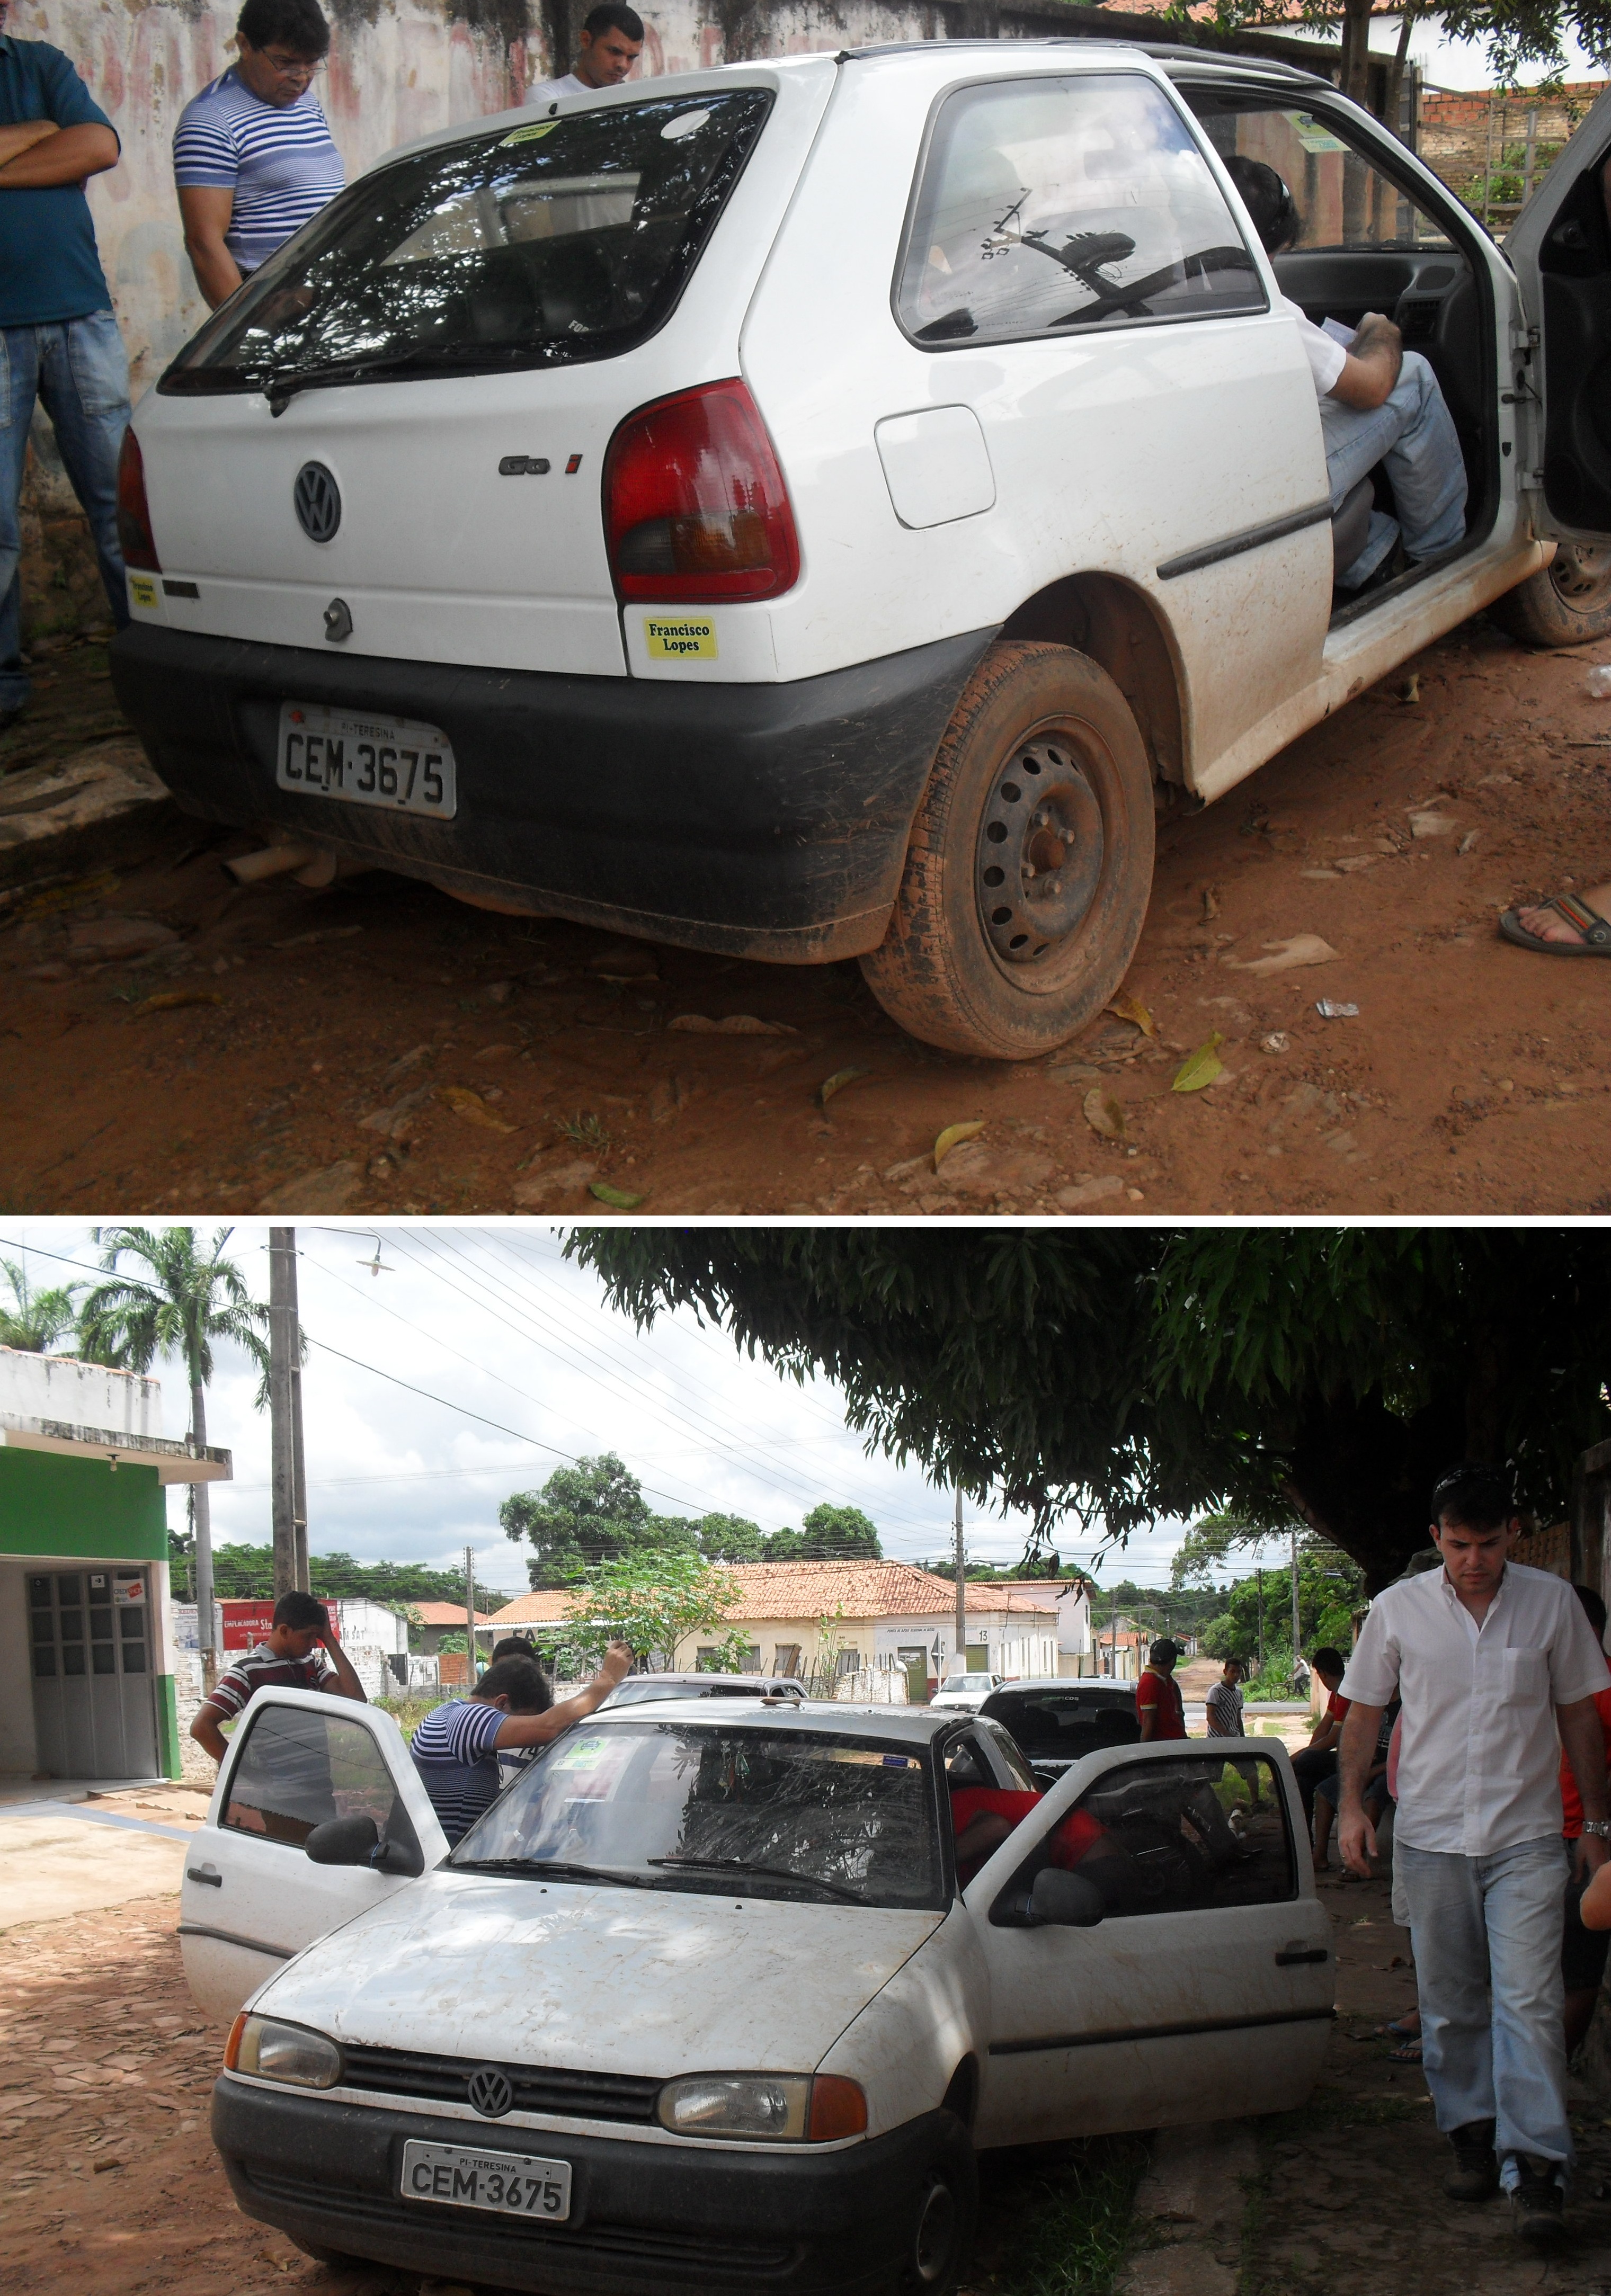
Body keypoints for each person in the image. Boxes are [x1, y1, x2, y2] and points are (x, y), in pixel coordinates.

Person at [1336, 1462, 1611, 2245]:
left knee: (1527, 2001)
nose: (1473, 1559)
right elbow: (1363, 1712)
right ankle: (1472, 2135)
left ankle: (1538, 2167)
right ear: (1437, 1537)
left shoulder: (1552, 1604)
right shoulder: (1397, 1610)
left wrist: (1595, 1822)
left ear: (1512, 1534)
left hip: (1527, 1838)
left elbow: (1578, 1716)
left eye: (1487, 1543)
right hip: (1427, 1838)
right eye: (1457, 1544)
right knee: (1453, 2004)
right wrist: (1352, 1805)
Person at [1224, 154, 1467, 593]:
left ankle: (1377, 556)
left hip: (1207, 463)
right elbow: (1372, 387)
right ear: (1267, 245)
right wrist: (1380, 329)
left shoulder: (1156, 283)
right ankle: (1440, 563)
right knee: (1411, 376)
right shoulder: (1257, 305)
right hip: (1249, 478)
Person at [0, 0, 129, 738]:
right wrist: (38, 139)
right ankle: (4, 683)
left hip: (80, 314)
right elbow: (64, 142)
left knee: (119, 502)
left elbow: (98, 147)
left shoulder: (40, 65)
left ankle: (148, 655)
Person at [172, 0, 343, 312]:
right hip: (272, 300)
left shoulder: (306, 104)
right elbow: (204, 244)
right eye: (286, 62)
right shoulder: (211, 120)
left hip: (328, 294)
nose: (302, 77)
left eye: (312, 63)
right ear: (245, 45)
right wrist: (244, 331)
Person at [410, 1641, 633, 1845]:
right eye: (519, 1721)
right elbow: (549, 1726)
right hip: (454, 1860)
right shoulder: (467, 1719)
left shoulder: (445, 1713)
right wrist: (608, 1678)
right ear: (502, 1703)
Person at [191, 1588, 365, 1763]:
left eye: (317, 1637)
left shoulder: (310, 1664)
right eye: (308, 1636)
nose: (314, 1644)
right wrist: (243, 1770)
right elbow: (201, 1727)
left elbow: (357, 1699)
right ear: (284, 1631)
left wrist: (329, 1639)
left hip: (319, 1785)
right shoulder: (248, 1670)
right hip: (273, 1789)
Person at [1560, 1584, 1611, 2059]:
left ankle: (1544, 2082)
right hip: (1526, 1836)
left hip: (1581, 1841)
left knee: (1576, 1971)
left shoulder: (1604, 1687)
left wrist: (1596, 1830)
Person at [525, 3, 643, 104]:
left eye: (631, 57)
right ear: (586, 40)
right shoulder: (548, 98)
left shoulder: (638, 101)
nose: (623, 65)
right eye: (614, 52)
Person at [1289, 1646, 1349, 1838]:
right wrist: (1308, 1751)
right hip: (1341, 1757)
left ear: (1322, 1673)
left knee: (1306, 1762)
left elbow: (1332, 1739)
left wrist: (1300, 1756)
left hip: (1351, 1759)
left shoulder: (1347, 1692)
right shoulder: (1337, 1693)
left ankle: (1286, 1776)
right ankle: (1305, 1841)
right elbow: (1323, 1727)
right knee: (1303, 1782)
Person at [1136, 1638, 1186, 1741]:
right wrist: (1145, 1752)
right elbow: (1148, 1722)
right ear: (1173, 1661)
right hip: (1165, 1748)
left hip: (1174, 1743)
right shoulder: (1150, 1683)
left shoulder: (1164, 1679)